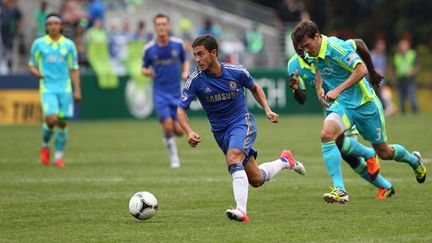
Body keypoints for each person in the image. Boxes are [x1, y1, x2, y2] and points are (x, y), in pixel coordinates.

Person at [292, 20, 426, 203]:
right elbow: (318, 68)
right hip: (343, 105)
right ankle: (340, 189)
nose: (306, 51)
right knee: (327, 135)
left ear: (317, 37)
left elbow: (361, 70)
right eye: (303, 48)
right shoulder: (313, 51)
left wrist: (337, 89)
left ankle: (413, 161)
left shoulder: (336, 47)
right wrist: (319, 88)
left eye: (307, 45)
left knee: (384, 152)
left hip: (366, 105)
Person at [177, 34, 306, 222]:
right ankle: (285, 161)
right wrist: (189, 131)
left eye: (200, 54)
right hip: (221, 133)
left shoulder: (236, 71)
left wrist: (267, 109)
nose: (197, 59)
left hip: (242, 122)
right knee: (256, 179)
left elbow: (254, 87)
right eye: (195, 55)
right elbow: (181, 110)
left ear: (214, 53)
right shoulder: (195, 79)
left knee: (233, 157)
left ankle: (241, 211)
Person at [288, 38, 394, 200]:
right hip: (333, 107)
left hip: (352, 101)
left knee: (341, 146)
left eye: (305, 46)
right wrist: (296, 90)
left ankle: (367, 162)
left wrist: (371, 71)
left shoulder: (330, 47)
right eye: (299, 49)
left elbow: (358, 43)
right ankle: (383, 184)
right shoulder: (294, 65)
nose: (303, 51)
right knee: (346, 153)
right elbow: (302, 98)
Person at [28, 13, 81, 167]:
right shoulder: (39, 44)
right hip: (48, 88)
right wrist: (36, 72)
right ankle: (45, 146)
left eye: (55, 23)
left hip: (64, 88)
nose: (52, 26)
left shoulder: (69, 45)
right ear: (46, 26)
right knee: (51, 120)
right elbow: (31, 64)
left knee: (62, 123)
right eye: (49, 23)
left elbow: (74, 68)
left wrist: (77, 90)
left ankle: (58, 157)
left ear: (61, 25)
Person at [141, 13, 190, 168]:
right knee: (167, 126)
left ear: (168, 26)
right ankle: (174, 158)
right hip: (159, 93)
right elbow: (143, 68)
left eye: (164, 24)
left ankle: (173, 143)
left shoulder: (178, 44)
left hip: (176, 93)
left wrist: (185, 72)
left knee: (180, 131)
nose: (161, 27)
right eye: (158, 24)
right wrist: (147, 72)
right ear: (155, 27)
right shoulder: (149, 48)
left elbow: (186, 60)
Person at [393, 38, 420, 114]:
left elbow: (417, 66)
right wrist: (394, 78)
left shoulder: (412, 54)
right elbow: (395, 68)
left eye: (404, 45)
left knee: (412, 97)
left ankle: (416, 113)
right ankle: (403, 114)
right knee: (401, 99)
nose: (402, 47)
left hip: (410, 80)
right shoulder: (397, 56)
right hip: (400, 80)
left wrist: (411, 72)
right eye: (401, 45)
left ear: (408, 46)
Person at [0, 0, 23, 72]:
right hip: (2, 34)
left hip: (10, 35)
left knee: (9, 53)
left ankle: (9, 67)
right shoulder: (2, 8)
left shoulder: (15, 10)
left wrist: (17, 30)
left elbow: (20, 20)